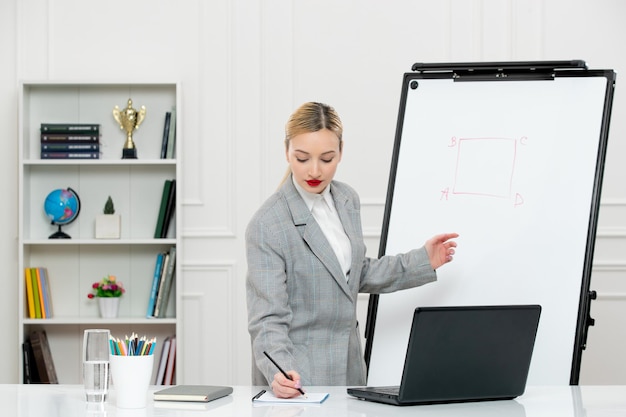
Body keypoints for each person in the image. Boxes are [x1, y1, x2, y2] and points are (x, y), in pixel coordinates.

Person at [245, 102, 458, 398]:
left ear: (341, 153)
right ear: (286, 152)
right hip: (300, 377)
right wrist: (280, 371)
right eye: (302, 158)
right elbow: (267, 317)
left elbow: (353, 273)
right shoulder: (268, 224)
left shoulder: (347, 199)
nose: (315, 170)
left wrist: (423, 260)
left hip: (350, 368)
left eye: (327, 158)